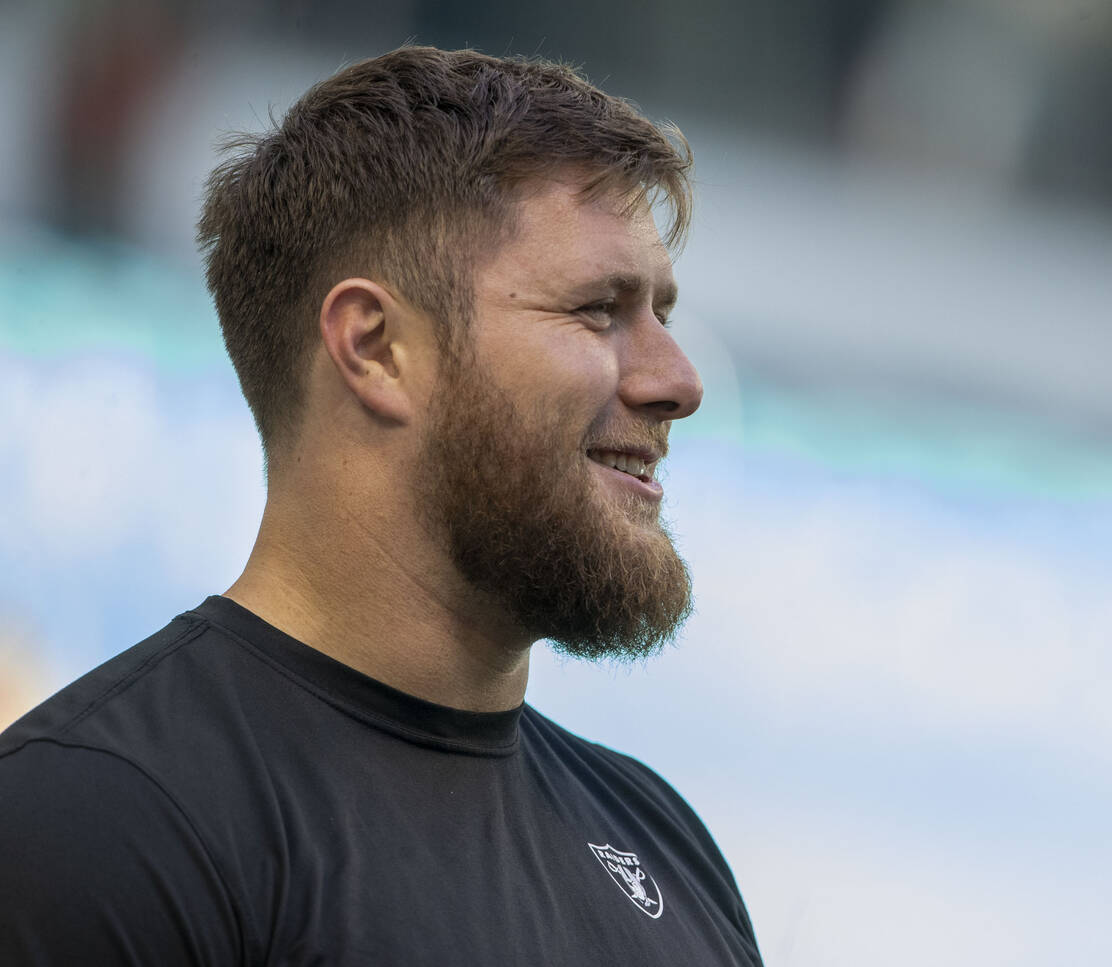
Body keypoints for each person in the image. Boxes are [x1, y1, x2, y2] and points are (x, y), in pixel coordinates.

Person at [0, 46, 762, 965]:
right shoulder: (103, 818)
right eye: (601, 309)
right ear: (375, 347)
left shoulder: (661, 844)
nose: (678, 382)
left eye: (663, 316)